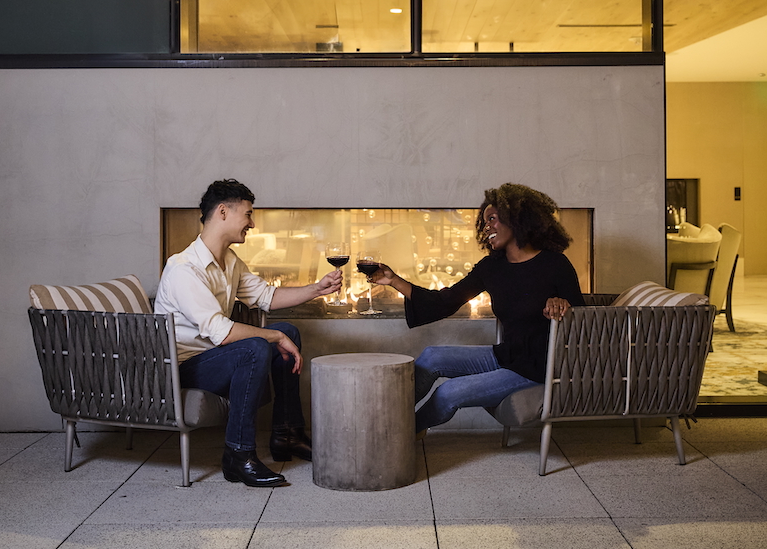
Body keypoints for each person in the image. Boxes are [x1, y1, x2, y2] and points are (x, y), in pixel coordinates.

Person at [154, 179, 342, 487]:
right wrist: (274, 338)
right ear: (223, 212)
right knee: (256, 347)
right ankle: (238, 456)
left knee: (288, 330)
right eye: (248, 214)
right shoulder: (183, 269)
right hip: (186, 367)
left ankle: (287, 434)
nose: (252, 224)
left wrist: (317, 289)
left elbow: (266, 297)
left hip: (216, 356)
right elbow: (221, 333)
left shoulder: (229, 261)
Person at [370, 183, 584, 433]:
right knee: (431, 357)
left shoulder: (555, 264)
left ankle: (399, 434)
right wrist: (394, 280)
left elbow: (581, 321)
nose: (486, 227)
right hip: (508, 356)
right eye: (484, 222)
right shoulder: (491, 267)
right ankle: (385, 420)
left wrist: (562, 304)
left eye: (492, 219)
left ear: (517, 217)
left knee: (448, 393)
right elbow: (445, 301)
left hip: (540, 367)